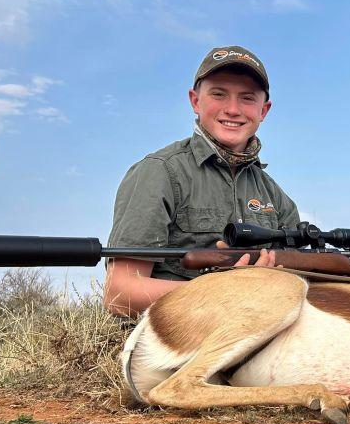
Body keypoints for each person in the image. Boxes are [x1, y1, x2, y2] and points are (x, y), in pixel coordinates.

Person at [104, 46, 300, 317]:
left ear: (264, 110)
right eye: (219, 94)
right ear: (195, 101)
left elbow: (300, 281)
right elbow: (120, 293)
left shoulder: (274, 195)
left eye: (247, 98)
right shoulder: (160, 171)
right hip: (175, 336)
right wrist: (225, 290)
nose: (233, 109)